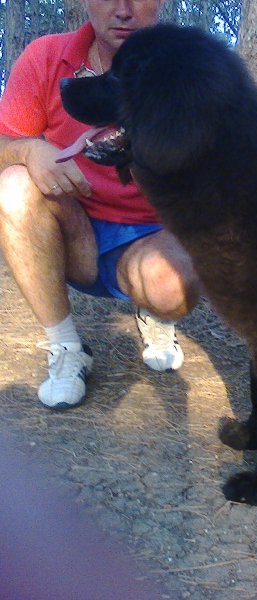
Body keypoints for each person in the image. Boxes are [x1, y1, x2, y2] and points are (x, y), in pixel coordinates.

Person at [0, 0, 201, 410]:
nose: (123, 9)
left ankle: (154, 312)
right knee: (13, 184)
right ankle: (65, 348)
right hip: (74, 232)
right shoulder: (45, 57)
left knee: (170, 288)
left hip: (153, 235)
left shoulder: (188, 72)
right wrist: (29, 150)